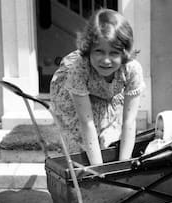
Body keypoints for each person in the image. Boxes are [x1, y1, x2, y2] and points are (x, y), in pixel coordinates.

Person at [50, 8, 145, 165]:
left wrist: (123, 166)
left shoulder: (132, 69)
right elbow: (86, 123)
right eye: (99, 51)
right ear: (89, 50)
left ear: (125, 53)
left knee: (111, 141)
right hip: (76, 99)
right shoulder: (78, 68)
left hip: (109, 94)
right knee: (81, 150)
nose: (106, 60)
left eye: (114, 53)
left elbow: (129, 121)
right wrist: (99, 170)